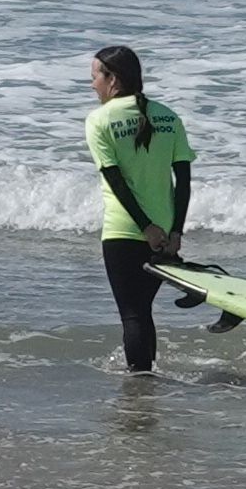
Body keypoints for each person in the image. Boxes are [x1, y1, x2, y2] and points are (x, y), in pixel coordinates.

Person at [86, 42, 198, 373]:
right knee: (142, 311)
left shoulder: (99, 120)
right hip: (165, 233)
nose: (92, 85)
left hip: (125, 231)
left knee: (132, 313)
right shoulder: (168, 116)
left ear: (113, 79)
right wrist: (175, 230)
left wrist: (144, 227)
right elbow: (184, 181)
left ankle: (140, 385)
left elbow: (116, 182)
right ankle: (145, 378)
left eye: (94, 77)